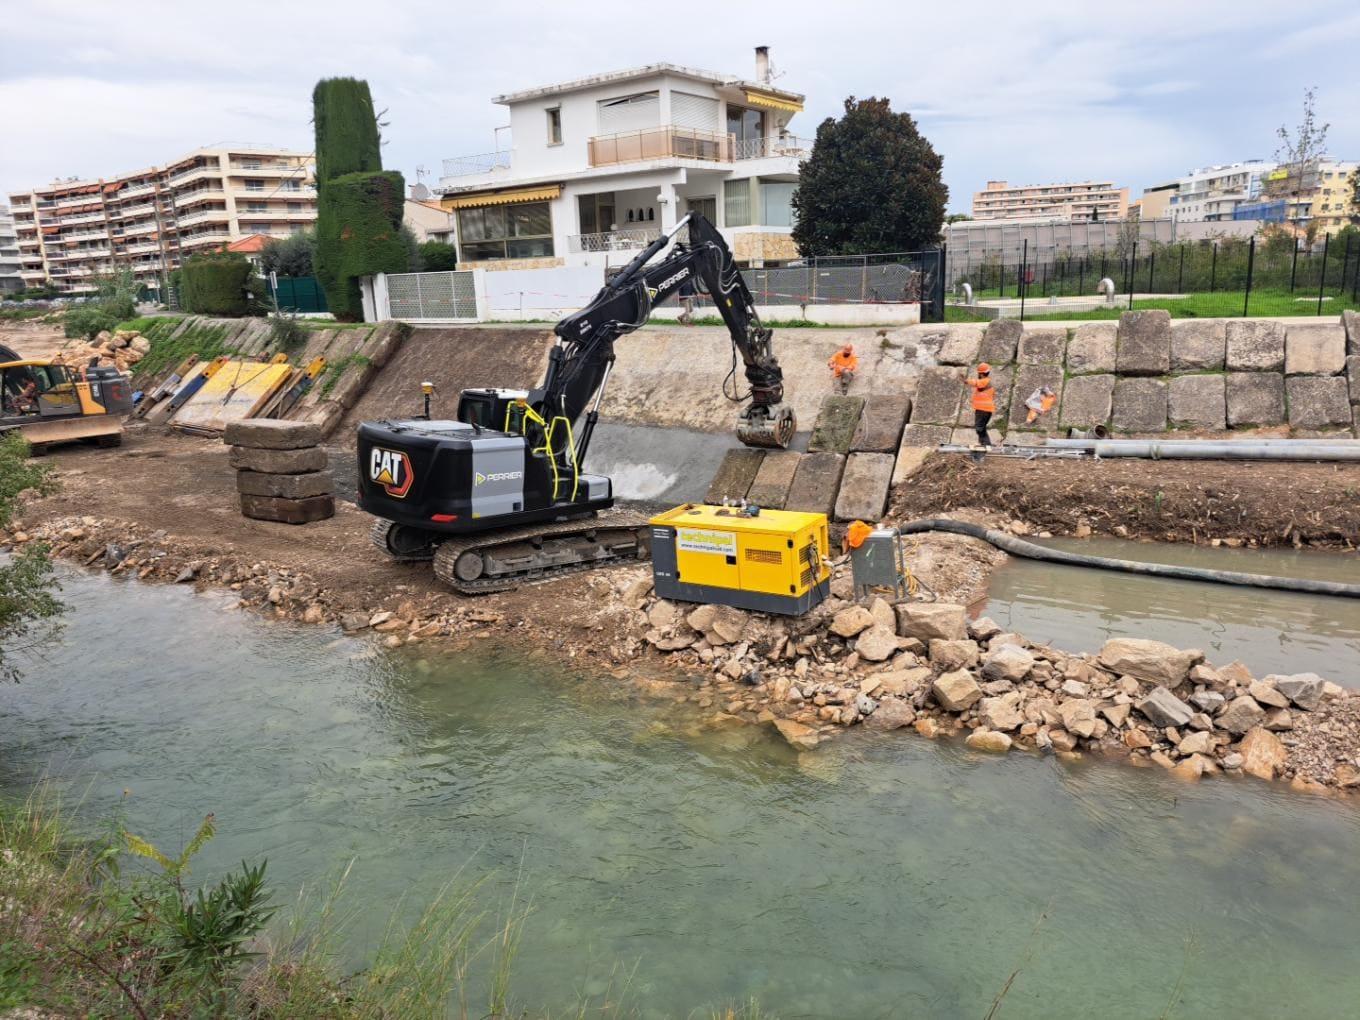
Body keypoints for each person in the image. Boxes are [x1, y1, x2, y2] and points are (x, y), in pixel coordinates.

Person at [968, 362, 995, 447]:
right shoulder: (986, 382)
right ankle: (984, 444)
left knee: (979, 428)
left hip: (983, 410)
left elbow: (976, 383)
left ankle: (986, 445)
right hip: (984, 410)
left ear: (981, 373)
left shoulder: (985, 381)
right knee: (981, 428)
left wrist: (966, 381)